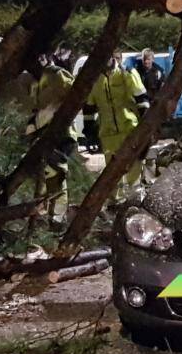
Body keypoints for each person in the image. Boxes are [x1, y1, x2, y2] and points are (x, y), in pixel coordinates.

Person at [82, 51, 151, 203]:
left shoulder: (127, 73)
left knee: (134, 168)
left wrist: (146, 127)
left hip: (129, 129)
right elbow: (89, 107)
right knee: (112, 172)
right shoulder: (95, 80)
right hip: (108, 133)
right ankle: (116, 203)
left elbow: (142, 99)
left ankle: (136, 201)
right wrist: (89, 130)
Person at [26, 42, 77, 224]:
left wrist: (62, 118)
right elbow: (37, 110)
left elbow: (74, 95)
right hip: (44, 135)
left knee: (57, 174)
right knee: (45, 174)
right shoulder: (37, 82)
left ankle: (57, 216)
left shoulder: (57, 74)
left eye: (41, 56)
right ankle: (44, 213)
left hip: (61, 134)